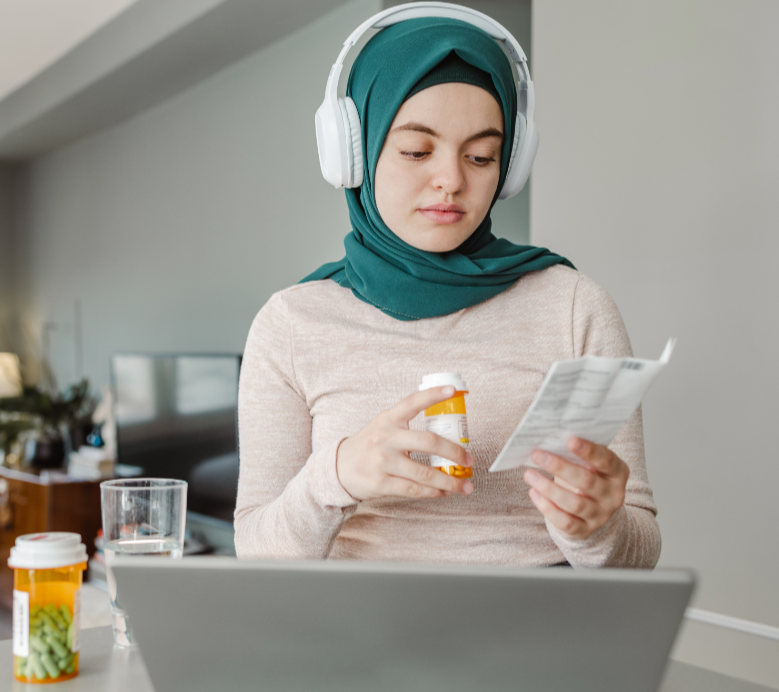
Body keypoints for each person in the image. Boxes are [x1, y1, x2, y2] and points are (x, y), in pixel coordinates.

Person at [234, 8, 660, 568]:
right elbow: (255, 552)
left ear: (510, 166)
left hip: (537, 618)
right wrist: (334, 476)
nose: (452, 181)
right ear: (355, 152)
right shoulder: (290, 324)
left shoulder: (574, 307)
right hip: (355, 620)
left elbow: (639, 551)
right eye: (416, 151)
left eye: (481, 156)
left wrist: (596, 529)